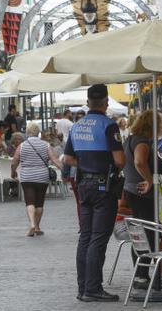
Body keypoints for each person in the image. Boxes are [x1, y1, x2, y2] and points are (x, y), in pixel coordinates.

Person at [63, 84, 125, 302]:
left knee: (86, 237)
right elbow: (119, 160)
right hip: (103, 187)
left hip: (83, 186)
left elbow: (68, 159)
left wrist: (86, 163)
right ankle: (93, 288)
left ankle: (83, 288)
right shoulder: (109, 126)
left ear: (88, 102)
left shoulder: (77, 126)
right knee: (99, 238)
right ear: (106, 102)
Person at [122, 111, 162, 290]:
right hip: (142, 193)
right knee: (147, 233)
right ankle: (142, 275)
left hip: (131, 189)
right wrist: (150, 180)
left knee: (140, 233)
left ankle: (141, 274)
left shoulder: (130, 139)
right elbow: (139, 162)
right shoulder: (141, 141)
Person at [11, 123, 61, 236]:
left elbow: (14, 161)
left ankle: (33, 225)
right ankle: (37, 227)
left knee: (30, 202)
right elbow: (54, 160)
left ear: (27, 133)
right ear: (38, 132)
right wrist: (64, 170)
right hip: (42, 176)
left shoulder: (22, 146)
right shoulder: (46, 145)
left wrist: (13, 172)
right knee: (39, 203)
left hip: (27, 176)